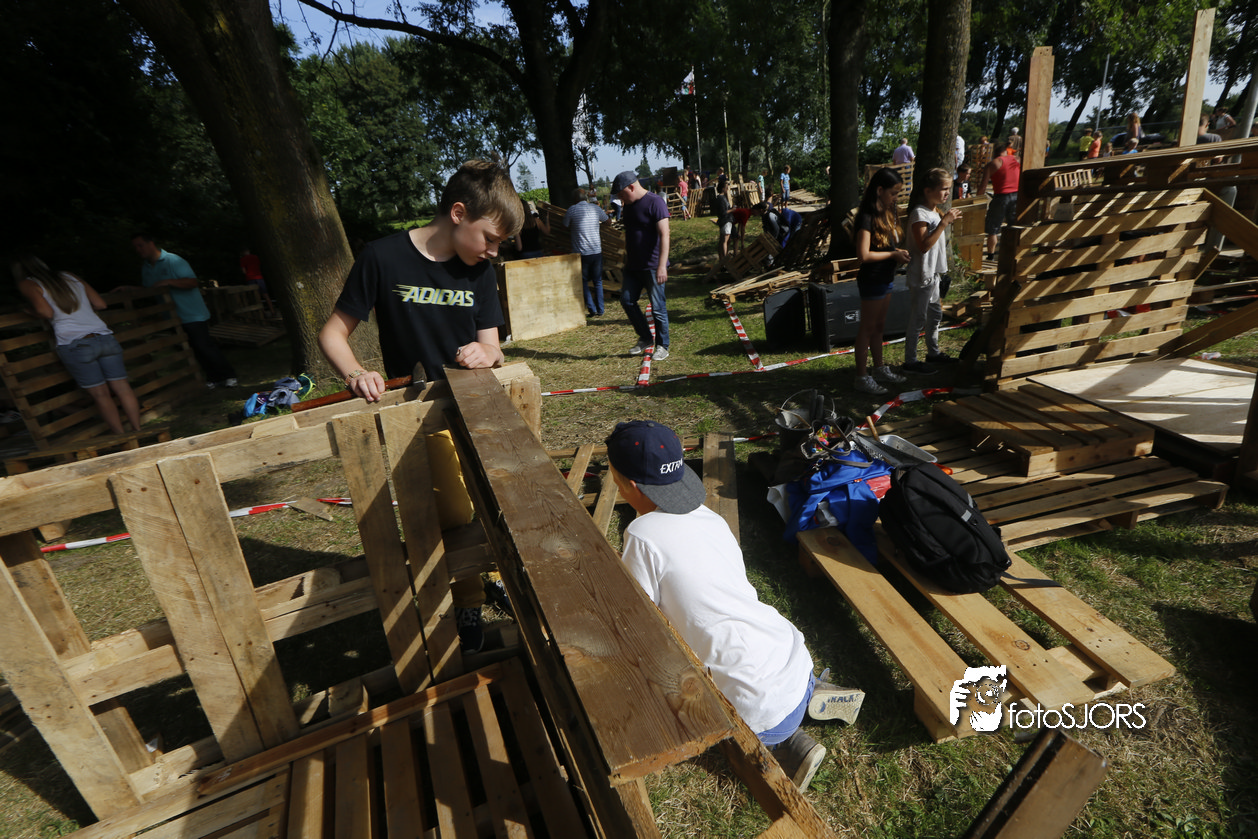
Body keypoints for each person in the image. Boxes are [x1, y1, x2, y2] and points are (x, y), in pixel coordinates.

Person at [319, 159, 524, 653]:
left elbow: (493, 345)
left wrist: (488, 353)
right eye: (490, 239)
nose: (493, 252)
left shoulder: (479, 271)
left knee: (496, 496)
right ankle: (468, 599)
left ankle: (494, 572)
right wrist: (356, 373)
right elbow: (332, 334)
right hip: (420, 413)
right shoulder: (382, 257)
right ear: (458, 213)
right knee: (453, 510)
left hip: (480, 406)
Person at [605, 419, 864, 791]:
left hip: (755, 701)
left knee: (735, 718)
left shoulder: (641, 534)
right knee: (765, 672)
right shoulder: (708, 517)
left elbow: (640, 619)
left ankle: (789, 747)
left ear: (629, 486)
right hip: (789, 654)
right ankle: (810, 694)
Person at [12, 254, 142, 435]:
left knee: (101, 394)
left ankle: (122, 437)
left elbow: (46, 312)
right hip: (104, 336)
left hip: (75, 343)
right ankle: (137, 430)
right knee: (122, 388)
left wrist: (30, 312)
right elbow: (100, 304)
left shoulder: (28, 283)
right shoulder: (69, 276)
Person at [131, 233, 238, 388]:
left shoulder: (173, 260)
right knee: (192, 348)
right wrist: (130, 289)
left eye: (140, 245)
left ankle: (228, 375)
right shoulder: (146, 268)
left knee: (204, 346)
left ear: (151, 243)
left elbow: (192, 282)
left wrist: (169, 282)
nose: (138, 250)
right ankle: (213, 377)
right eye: (135, 247)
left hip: (192, 313)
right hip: (172, 317)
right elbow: (150, 289)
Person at [851, 167, 910, 396]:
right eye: (893, 193)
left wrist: (897, 252)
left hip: (886, 278)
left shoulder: (885, 213)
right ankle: (861, 377)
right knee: (867, 328)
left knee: (879, 326)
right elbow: (863, 255)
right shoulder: (866, 217)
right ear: (879, 190)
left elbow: (885, 245)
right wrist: (893, 255)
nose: (895, 198)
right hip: (872, 280)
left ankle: (879, 368)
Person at [901, 168, 962, 376]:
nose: (947, 193)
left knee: (935, 315)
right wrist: (944, 223)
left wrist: (943, 220)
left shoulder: (934, 211)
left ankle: (933, 353)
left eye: (949, 189)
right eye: (943, 189)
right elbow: (923, 246)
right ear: (928, 191)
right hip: (922, 273)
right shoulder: (920, 213)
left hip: (934, 273)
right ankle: (910, 361)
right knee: (918, 318)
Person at [612, 171, 672, 359]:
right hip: (633, 266)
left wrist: (662, 266)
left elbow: (665, 234)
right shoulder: (629, 206)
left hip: (653, 266)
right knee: (627, 301)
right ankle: (646, 338)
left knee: (657, 308)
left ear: (631, 187)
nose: (621, 199)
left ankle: (663, 346)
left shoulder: (655, 202)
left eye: (622, 194)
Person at [563, 188, 610, 316]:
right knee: (597, 281)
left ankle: (591, 309)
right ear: (586, 198)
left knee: (583, 281)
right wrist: (597, 226)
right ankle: (600, 310)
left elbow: (564, 226)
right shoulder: (595, 208)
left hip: (581, 253)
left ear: (575, 199)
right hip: (596, 251)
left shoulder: (572, 210)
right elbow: (608, 222)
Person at [977, 138, 1021, 258]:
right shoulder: (1016, 160)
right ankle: (1013, 253)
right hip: (1016, 196)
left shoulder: (993, 164)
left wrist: (978, 199)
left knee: (993, 228)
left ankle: (990, 256)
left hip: (1001, 197)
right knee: (1013, 226)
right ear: (1006, 151)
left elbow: (982, 187)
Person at [239, 248, 277, 317]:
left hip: (250, 278)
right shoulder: (256, 257)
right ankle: (272, 311)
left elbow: (244, 271)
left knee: (257, 297)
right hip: (259, 277)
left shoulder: (243, 259)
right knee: (266, 295)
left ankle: (263, 313)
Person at [715, 181, 734, 261]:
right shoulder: (721, 198)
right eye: (726, 188)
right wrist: (732, 209)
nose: (727, 189)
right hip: (725, 220)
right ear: (723, 189)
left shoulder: (722, 198)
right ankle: (725, 259)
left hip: (725, 220)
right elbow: (723, 212)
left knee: (724, 240)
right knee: (725, 241)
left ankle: (722, 259)